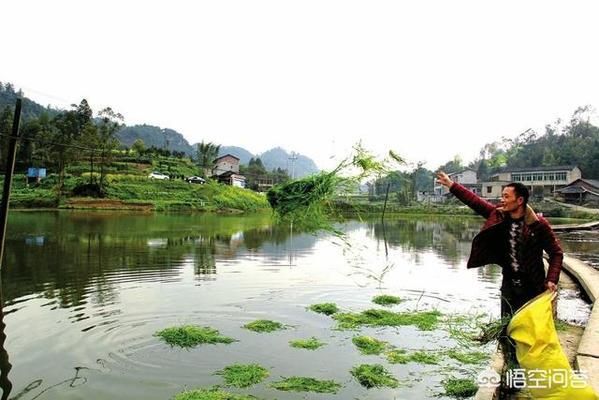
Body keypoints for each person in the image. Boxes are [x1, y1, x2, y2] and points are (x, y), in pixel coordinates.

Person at [436, 172, 563, 391]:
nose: (501, 200)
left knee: (531, 335)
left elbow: (557, 253)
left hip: (532, 288)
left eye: (506, 196)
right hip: (508, 285)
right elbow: (475, 202)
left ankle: (535, 374)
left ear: (520, 200)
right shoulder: (499, 216)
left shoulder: (538, 225)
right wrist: (452, 186)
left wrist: (551, 280)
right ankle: (513, 377)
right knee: (508, 331)